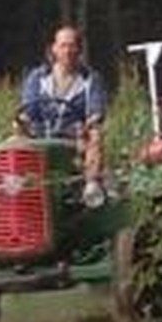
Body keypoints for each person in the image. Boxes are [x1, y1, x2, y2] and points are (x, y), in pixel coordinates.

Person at [15, 23, 109, 201]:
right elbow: (28, 110)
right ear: (54, 49)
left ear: (79, 50)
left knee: (96, 134)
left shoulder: (90, 79)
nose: (67, 51)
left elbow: (96, 113)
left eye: (72, 45)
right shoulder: (38, 77)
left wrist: (88, 127)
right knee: (14, 138)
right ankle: (15, 191)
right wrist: (22, 122)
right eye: (63, 45)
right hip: (39, 137)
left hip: (74, 140)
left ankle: (91, 185)